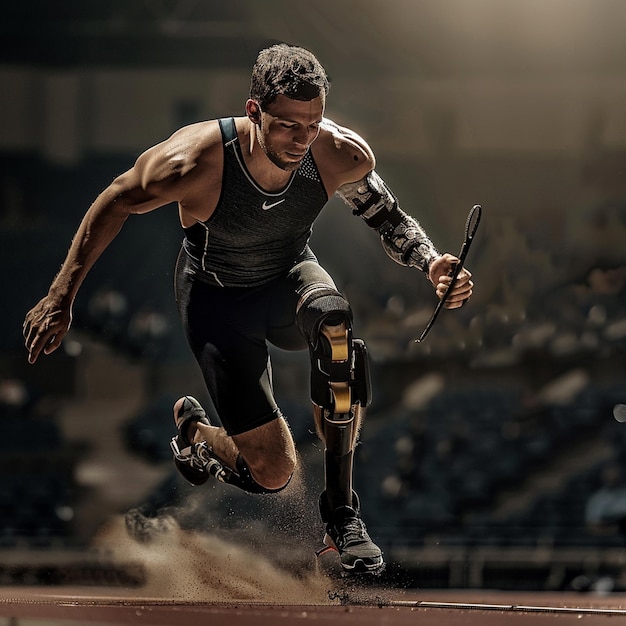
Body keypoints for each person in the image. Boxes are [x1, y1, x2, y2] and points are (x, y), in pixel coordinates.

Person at [23, 43, 473, 575]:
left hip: (286, 279)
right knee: (273, 473)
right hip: (218, 303)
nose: (303, 140)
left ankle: (342, 514)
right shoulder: (192, 160)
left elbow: (384, 214)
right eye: (288, 126)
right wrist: (61, 295)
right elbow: (114, 200)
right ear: (254, 110)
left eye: (314, 123)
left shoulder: (337, 151)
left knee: (335, 324)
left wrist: (430, 262)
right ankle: (196, 434)